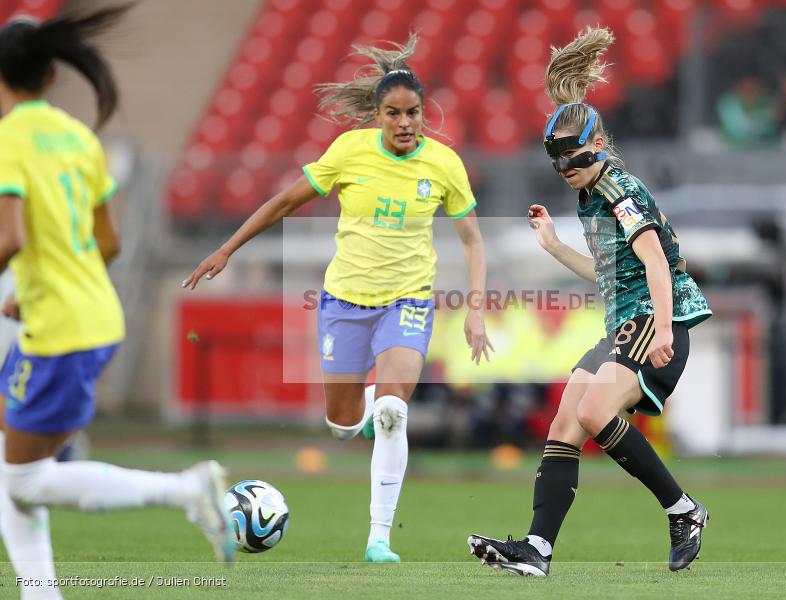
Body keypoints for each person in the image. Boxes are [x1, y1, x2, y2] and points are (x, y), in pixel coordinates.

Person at [183, 33, 492, 563]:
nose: (404, 123)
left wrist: (476, 309)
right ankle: (367, 406)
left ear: (424, 113)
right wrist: (227, 248)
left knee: (394, 410)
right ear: (377, 115)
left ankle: (379, 538)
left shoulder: (444, 165)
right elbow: (284, 202)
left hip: (408, 301)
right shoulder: (348, 151)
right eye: (393, 113)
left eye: (413, 112)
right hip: (345, 302)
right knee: (344, 427)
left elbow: (472, 240)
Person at [0, 7, 235, 599]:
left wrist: (39, 287)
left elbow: (8, 239)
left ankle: (185, 490)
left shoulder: (8, 141)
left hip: (62, 328)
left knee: (21, 479)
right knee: (13, 471)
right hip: (90, 315)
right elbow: (109, 240)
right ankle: (40, 593)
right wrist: (47, 286)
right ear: (53, 76)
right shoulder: (80, 138)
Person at [467, 27, 712, 576]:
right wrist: (554, 246)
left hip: (655, 316)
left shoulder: (617, 191)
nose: (568, 172)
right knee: (564, 426)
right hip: (627, 317)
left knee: (596, 410)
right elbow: (608, 275)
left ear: (597, 146)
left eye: (574, 161)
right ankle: (537, 549)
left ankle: (684, 511)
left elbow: (655, 263)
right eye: (560, 166)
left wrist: (667, 331)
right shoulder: (590, 192)